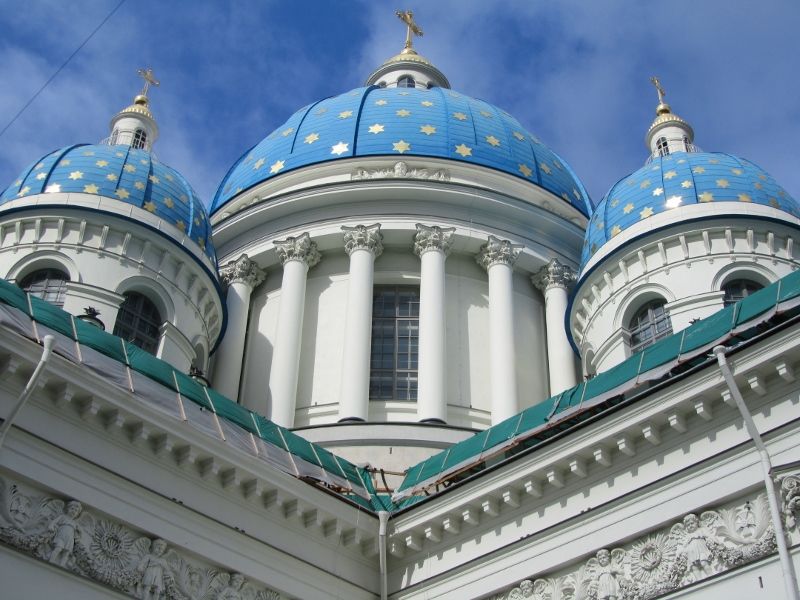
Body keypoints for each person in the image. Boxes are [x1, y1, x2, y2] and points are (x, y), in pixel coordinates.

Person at [48, 500, 82, 567]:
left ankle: (61, 566)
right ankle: (50, 561)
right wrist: (51, 526)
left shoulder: (74, 523)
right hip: (61, 536)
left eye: (76, 511)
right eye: (72, 509)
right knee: (58, 548)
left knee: (66, 553)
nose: (73, 511)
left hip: (69, 539)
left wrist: (79, 537)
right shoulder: (63, 517)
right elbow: (54, 522)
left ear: (77, 514)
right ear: (68, 509)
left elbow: (80, 532)